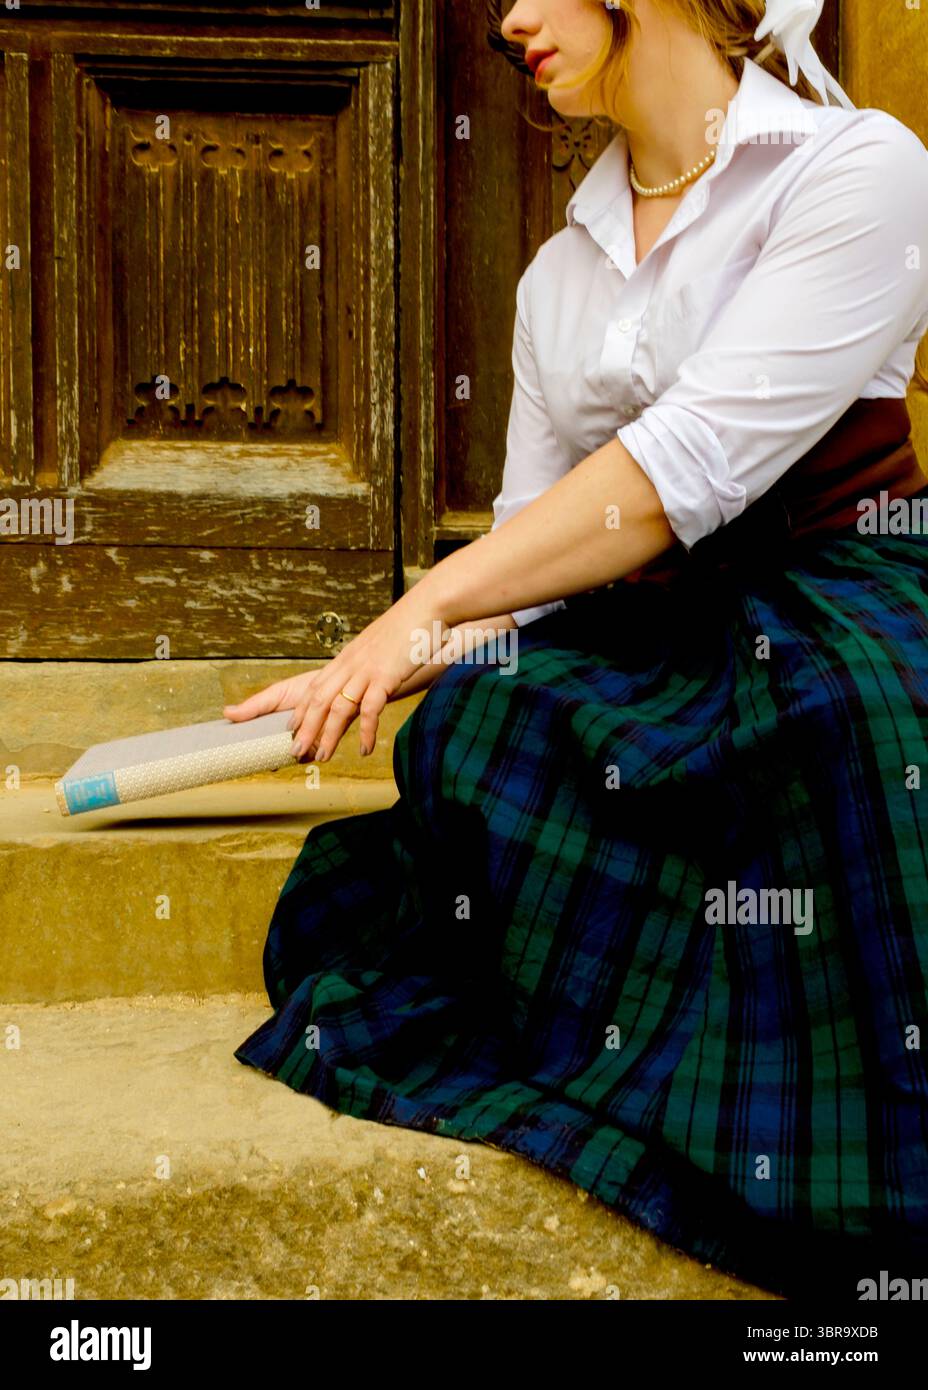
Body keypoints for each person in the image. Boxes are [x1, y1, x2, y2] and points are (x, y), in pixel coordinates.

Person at [227, 0, 928, 1297]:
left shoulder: (862, 168)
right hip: (655, 618)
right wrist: (377, 667)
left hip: (837, 586)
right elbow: (530, 565)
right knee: (475, 729)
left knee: (838, 718)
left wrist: (414, 607)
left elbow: (686, 465)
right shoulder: (564, 273)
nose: (506, 21)